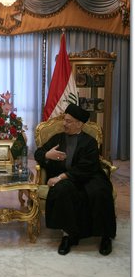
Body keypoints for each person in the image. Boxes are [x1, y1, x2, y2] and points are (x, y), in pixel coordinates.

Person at [34, 103, 116, 256]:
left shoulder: (89, 142)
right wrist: (47, 155)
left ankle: (105, 236)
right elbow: (37, 153)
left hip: (90, 176)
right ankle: (68, 235)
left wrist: (60, 177)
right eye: (64, 120)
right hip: (68, 179)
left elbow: (86, 167)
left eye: (69, 121)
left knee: (100, 191)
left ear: (79, 124)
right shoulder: (57, 138)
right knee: (62, 191)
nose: (64, 123)